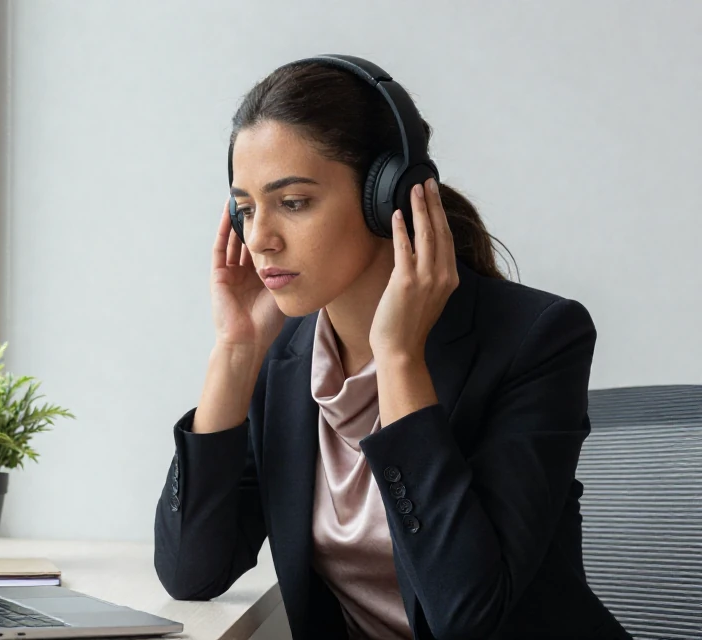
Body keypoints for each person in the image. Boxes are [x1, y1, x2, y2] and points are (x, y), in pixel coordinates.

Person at [153, 57, 629, 640]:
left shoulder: (536, 339)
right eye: (246, 210)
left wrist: (399, 359)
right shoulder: (283, 361)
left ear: (388, 197)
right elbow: (191, 572)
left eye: (294, 202)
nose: (259, 239)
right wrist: (235, 350)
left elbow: (466, 616)